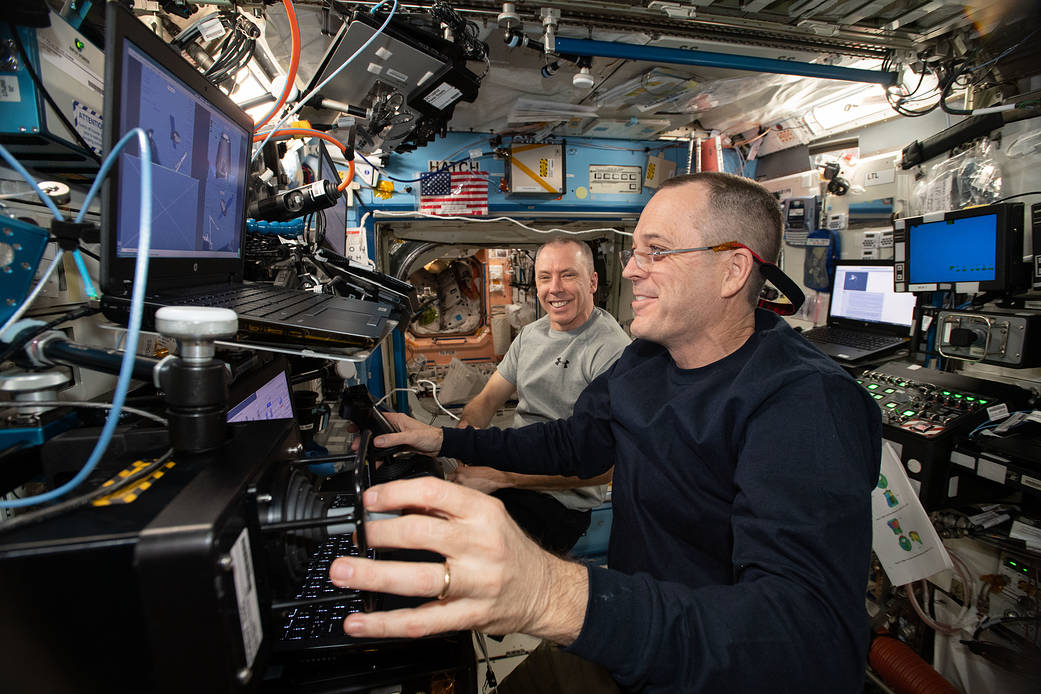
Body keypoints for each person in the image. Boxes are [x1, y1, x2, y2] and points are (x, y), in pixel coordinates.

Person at [331, 172, 882, 693]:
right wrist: (448, 441)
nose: (633, 270)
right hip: (632, 638)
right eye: (635, 250)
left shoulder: (805, 403)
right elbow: (572, 443)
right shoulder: (646, 361)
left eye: (656, 251)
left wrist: (552, 594)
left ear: (733, 270)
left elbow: (810, 640)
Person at [452, 238, 630, 554]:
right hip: (513, 471)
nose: (555, 288)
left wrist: (500, 478)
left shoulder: (609, 350)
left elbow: (608, 466)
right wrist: (464, 437)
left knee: (472, 556)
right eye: (545, 277)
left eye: (568, 275)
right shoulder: (532, 335)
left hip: (557, 503)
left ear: (592, 282)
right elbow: (489, 399)